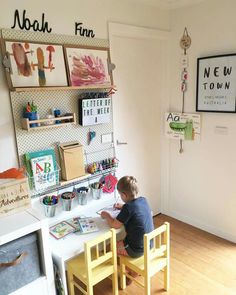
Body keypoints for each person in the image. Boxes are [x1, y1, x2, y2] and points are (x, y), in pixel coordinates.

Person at [101, 175, 154, 283]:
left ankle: (132, 271)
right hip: (149, 244)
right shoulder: (143, 200)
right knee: (121, 240)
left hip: (136, 249)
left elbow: (114, 225)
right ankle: (132, 268)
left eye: (120, 195)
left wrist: (106, 215)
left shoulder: (128, 208)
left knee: (107, 247)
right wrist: (123, 206)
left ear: (124, 195)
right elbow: (135, 209)